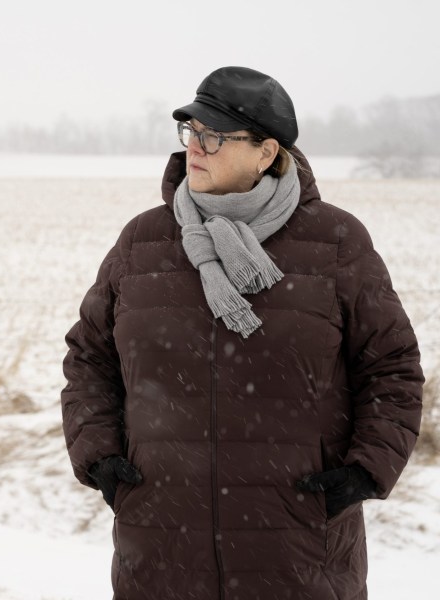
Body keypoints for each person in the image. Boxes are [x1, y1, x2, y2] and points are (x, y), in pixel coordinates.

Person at [60, 66, 423, 600]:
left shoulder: (337, 242)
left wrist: (366, 471)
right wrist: (100, 456)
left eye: (213, 135)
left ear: (266, 152)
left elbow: (391, 367)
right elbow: (90, 358)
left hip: (297, 549)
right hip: (161, 546)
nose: (195, 148)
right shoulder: (143, 242)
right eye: (190, 132)